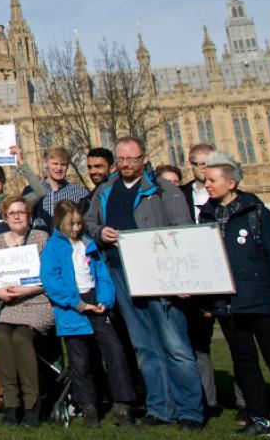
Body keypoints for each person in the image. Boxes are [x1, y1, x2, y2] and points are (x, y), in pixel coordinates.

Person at [85, 135, 204, 430]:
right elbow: (89, 222)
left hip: (160, 274)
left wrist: (182, 278)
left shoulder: (164, 190)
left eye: (132, 158)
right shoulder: (105, 190)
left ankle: (190, 411)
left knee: (175, 344)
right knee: (144, 345)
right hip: (121, 273)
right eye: (121, 159)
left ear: (144, 159)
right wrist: (100, 232)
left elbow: (183, 232)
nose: (126, 163)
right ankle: (160, 408)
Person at [199, 153, 270, 440]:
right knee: (244, 362)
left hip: (259, 298)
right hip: (227, 303)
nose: (206, 184)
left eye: (212, 180)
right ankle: (259, 417)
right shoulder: (207, 214)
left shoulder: (255, 210)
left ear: (231, 183)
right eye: (206, 180)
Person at [40, 199, 135, 429]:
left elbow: (102, 274)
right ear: (60, 223)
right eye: (71, 224)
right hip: (73, 306)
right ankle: (88, 408)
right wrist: (77, 304)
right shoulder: (53, 246)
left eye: (78, 223)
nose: (76, 228)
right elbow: (51, 281)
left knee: (115, 353)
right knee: (80, 361)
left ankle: (123, 406)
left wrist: (105, 300)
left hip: (96, 301)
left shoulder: (88, 242)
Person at [0, 195, 53, 427]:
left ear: (29, 215)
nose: (16, 216)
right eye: (12, 213)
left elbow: (50, 276)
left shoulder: (41, 238)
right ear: (5, 217)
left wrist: (26, 289)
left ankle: (31, 403)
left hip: (37, 303)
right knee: (3, 335)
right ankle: (11, 404)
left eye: (21, 212)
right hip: (8, 305)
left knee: (22, 338)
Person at [183, 142, 221, 416]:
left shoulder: (230, 196)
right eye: (200, 164)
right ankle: (205, 400)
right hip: (190, 277)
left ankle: (248, 406)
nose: (205, 169)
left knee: (240, 343)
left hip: (224, 276)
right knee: (196, 343)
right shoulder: (180, 195)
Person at [20, 146, 90, 233]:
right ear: (45, 164)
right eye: (55, 164)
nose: (59, 168)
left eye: (63, 164)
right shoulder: (31, 191)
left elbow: (87, 224)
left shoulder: (80, 193)